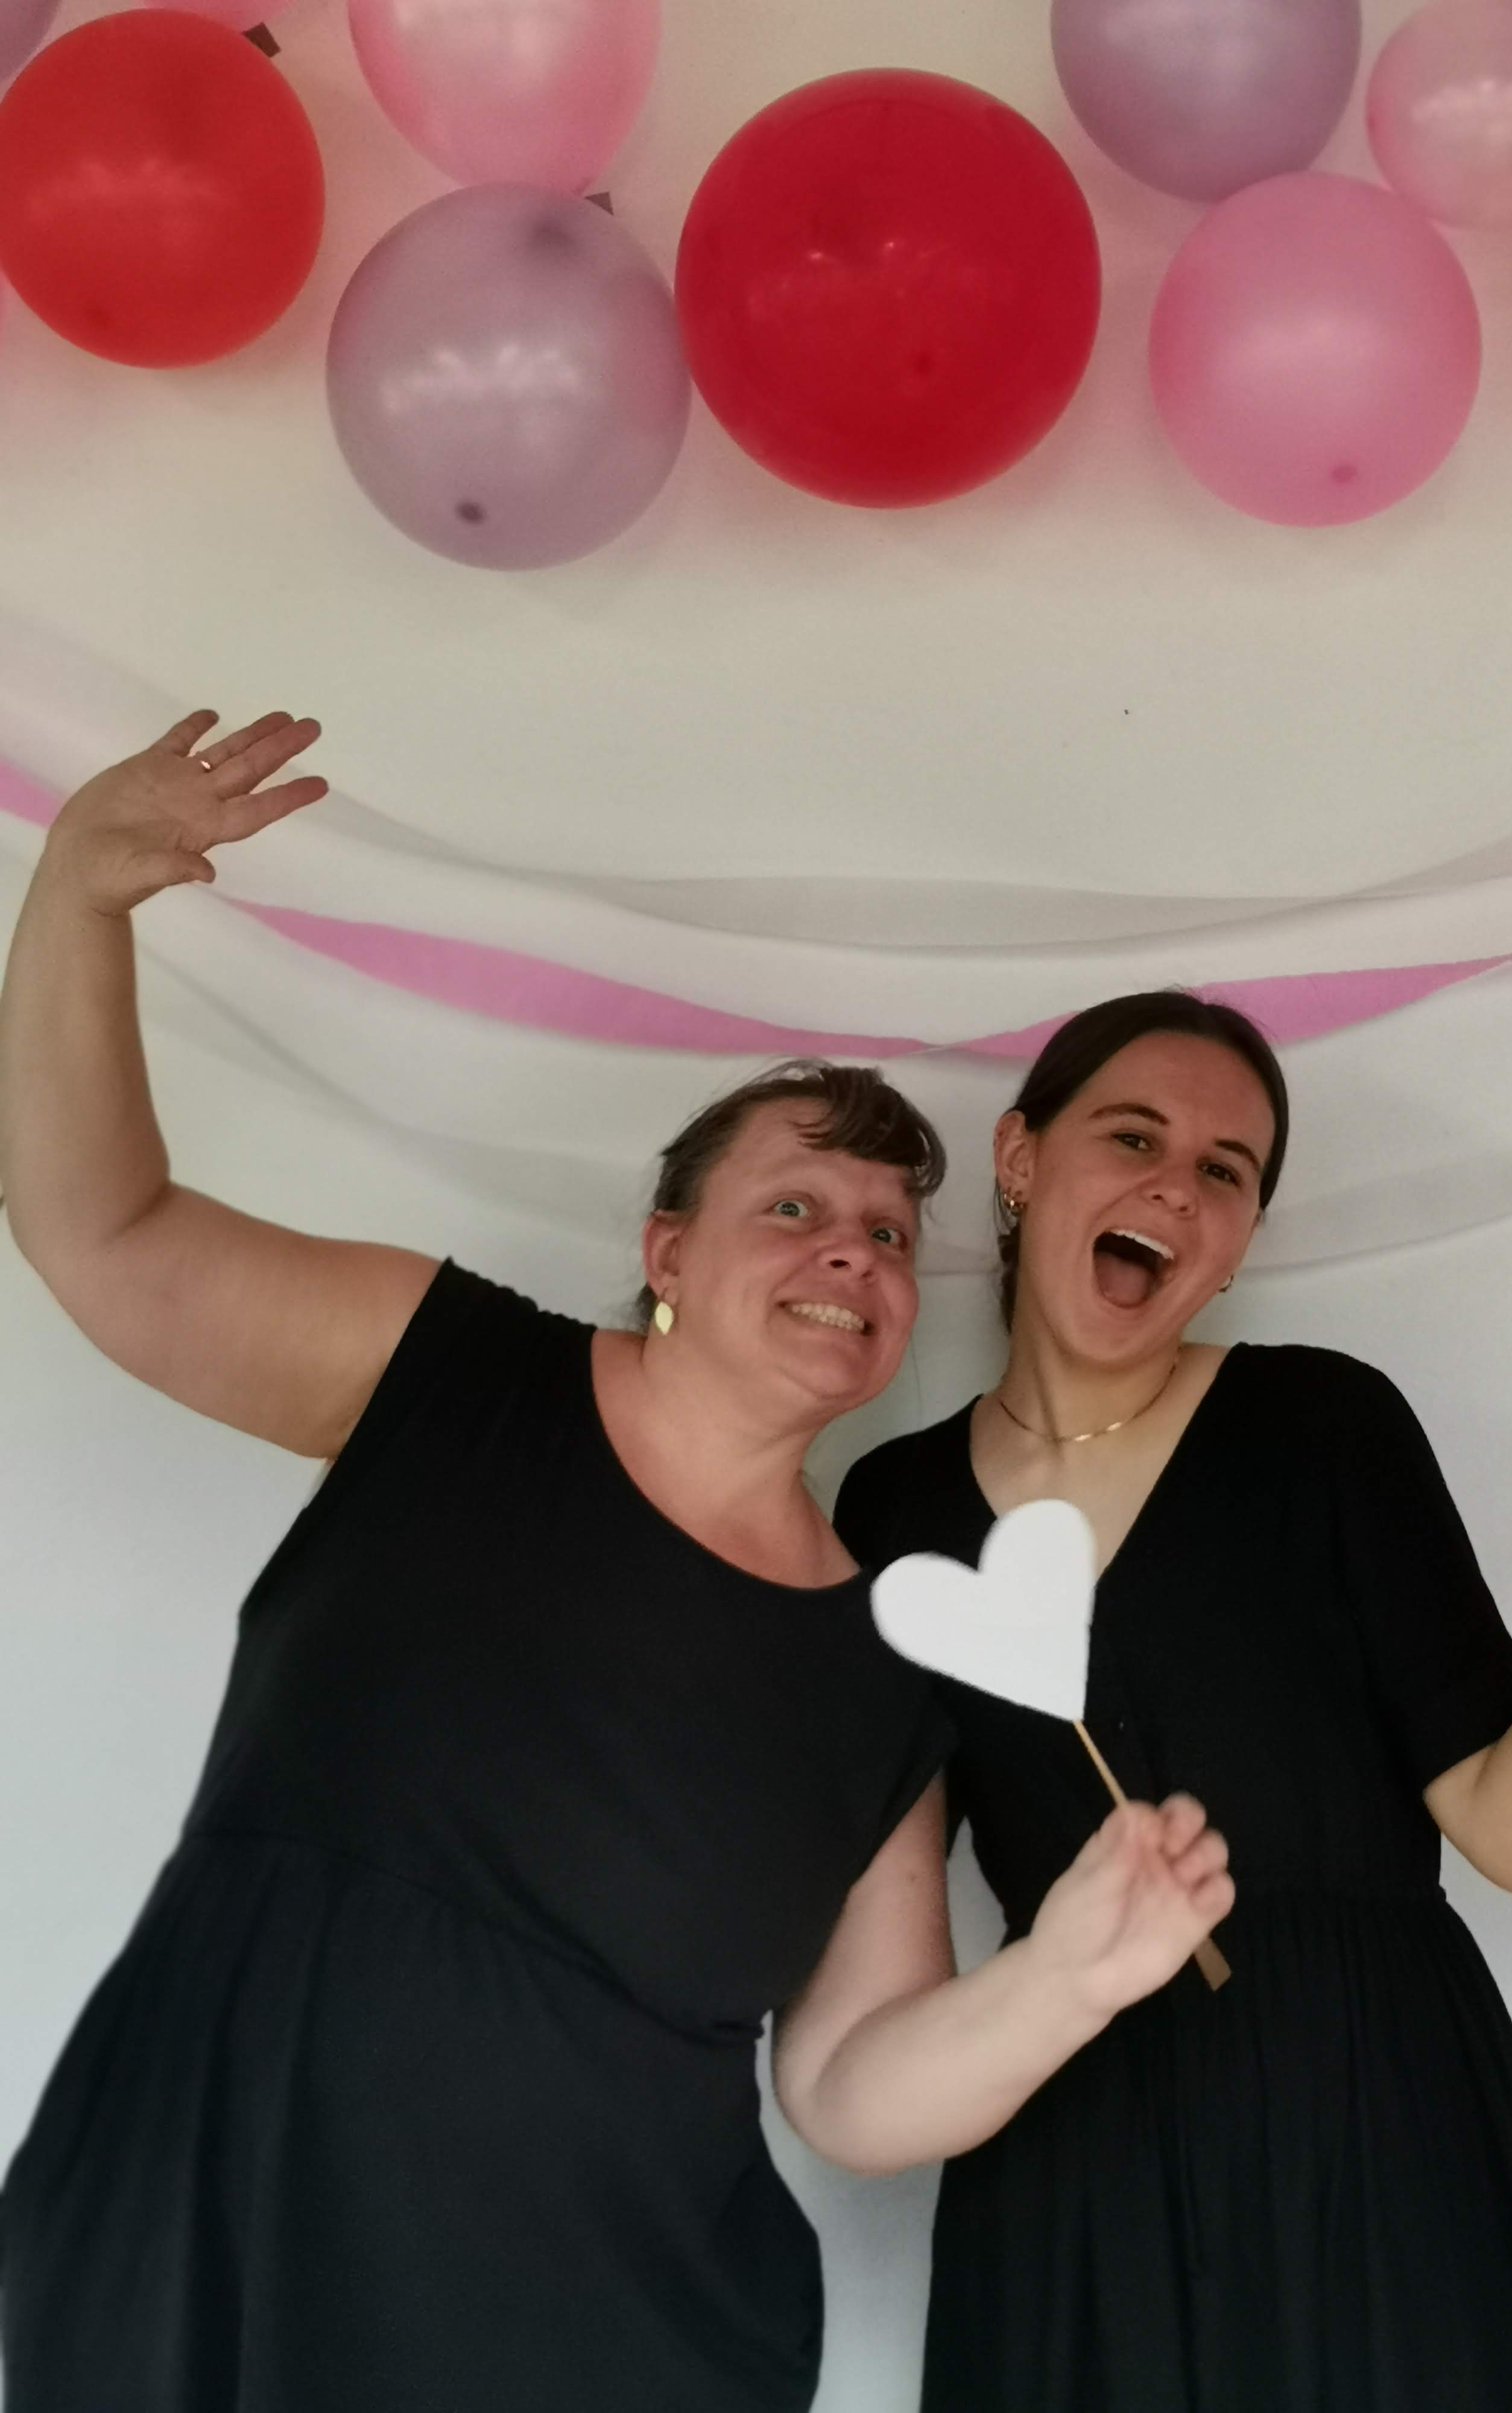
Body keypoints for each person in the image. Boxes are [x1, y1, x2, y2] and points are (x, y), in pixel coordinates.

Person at [0, 728, 1234, 2413]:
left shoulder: (877, 1666)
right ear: (668, 1251)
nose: (853, 1251)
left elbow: (850, 2086)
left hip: (599, 2343)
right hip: (213, 2229)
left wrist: (1066, 1976)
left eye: (888, 1236)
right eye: (795, 1206)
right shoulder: (450, 1374)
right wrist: (76, 895)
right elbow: (108, 1236)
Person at [834, 988, 1512, 2413]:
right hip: (1074, 2141)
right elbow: (878, 1945)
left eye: (1225, 1170)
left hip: (1371, 2115)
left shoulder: (1323, 1424)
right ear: (1022, 1155)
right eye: (1134, 1135)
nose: (1178, 1183)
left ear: (1236, 1244)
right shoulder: (890, 1504)